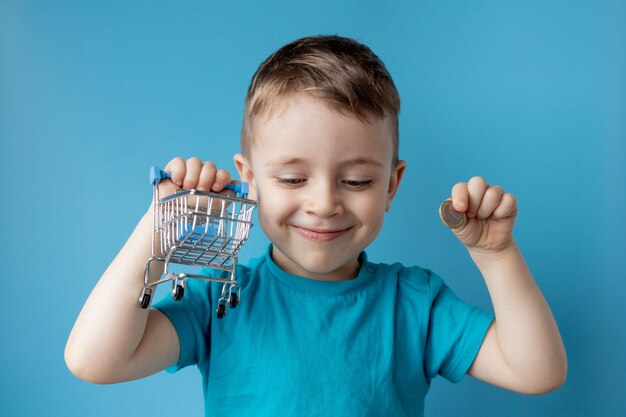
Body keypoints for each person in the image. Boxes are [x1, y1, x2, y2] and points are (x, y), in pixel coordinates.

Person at [65, 35, 567, 416]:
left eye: (355, 180)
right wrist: (159, 227)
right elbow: (94, 360)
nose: (324, 203)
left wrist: (497, 255)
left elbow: (537, 371)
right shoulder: (221, 298)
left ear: (391, 186)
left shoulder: (415, 303)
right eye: (292, 177)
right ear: (249, 180)